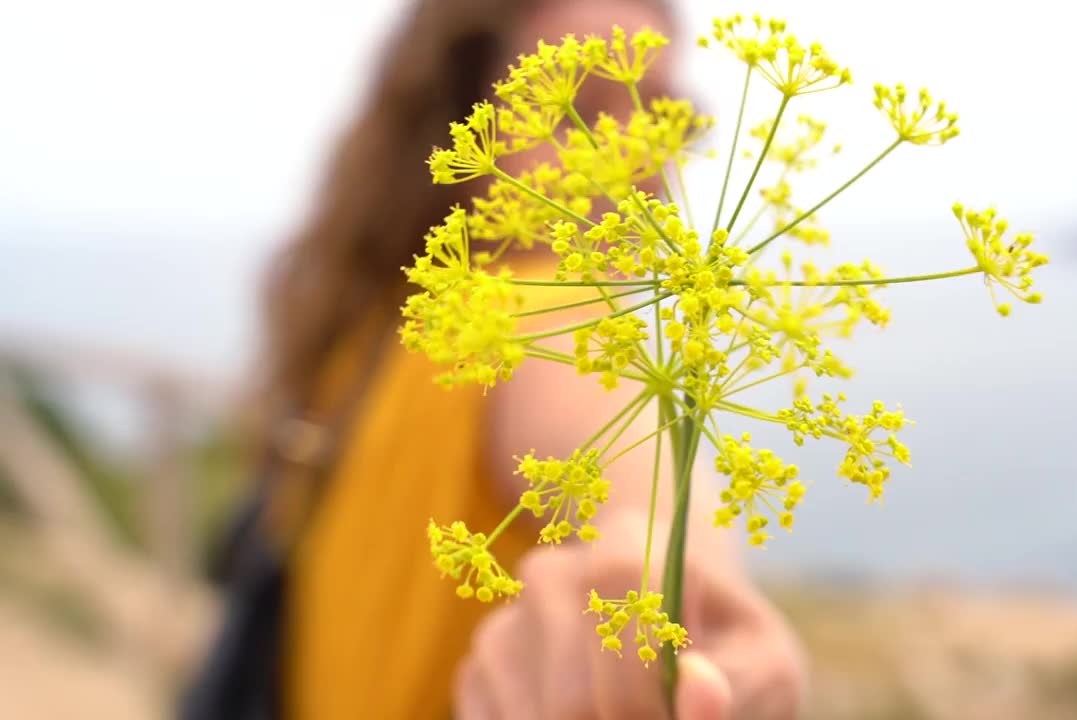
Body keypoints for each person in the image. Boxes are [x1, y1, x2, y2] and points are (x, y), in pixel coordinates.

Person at [188, 0, 806, 718]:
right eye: (578, 112)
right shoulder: (533, 317)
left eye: (657, 111)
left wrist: (700, 615)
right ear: (456, 130)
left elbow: (656, 534)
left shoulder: (369, 333)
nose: (636, 157)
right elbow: (628, 470)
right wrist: (714, 637)